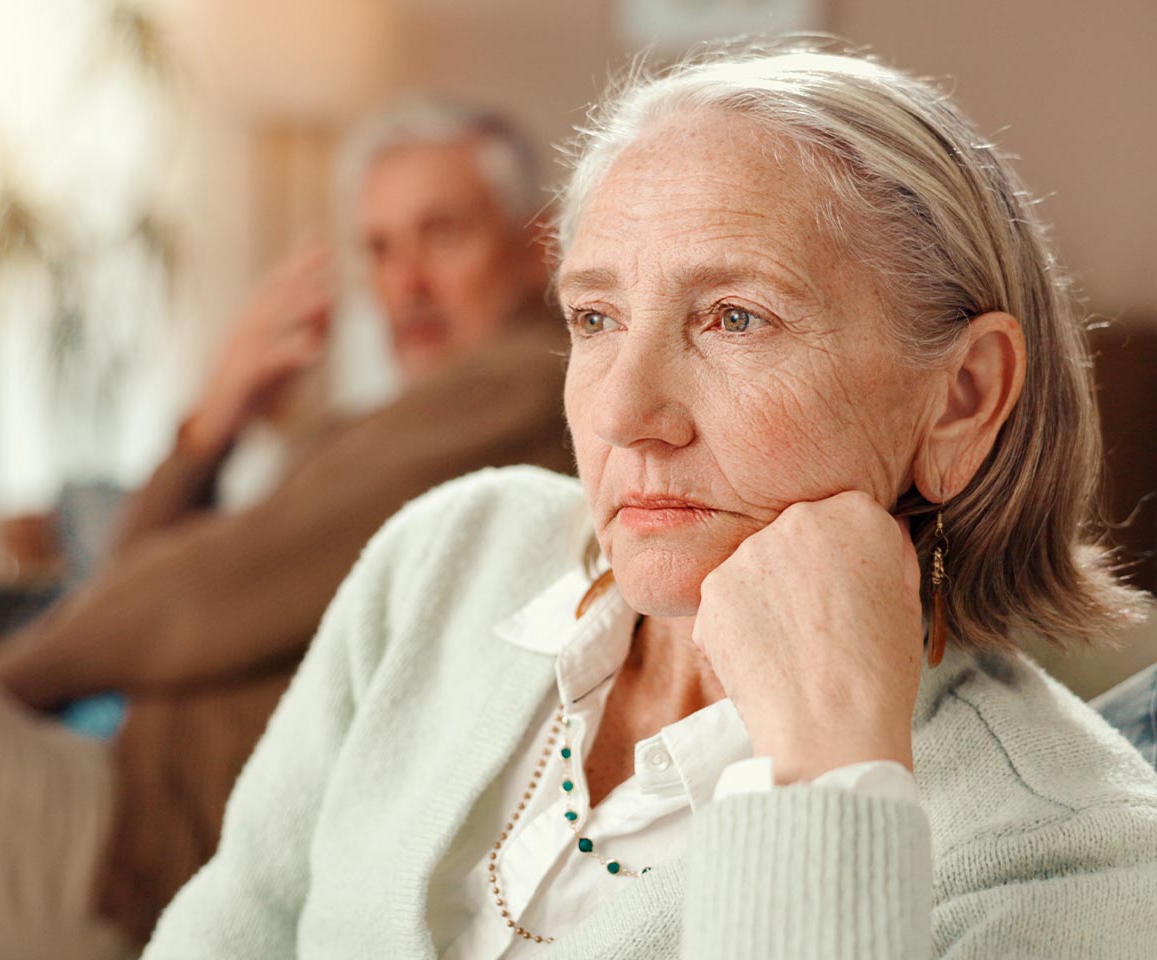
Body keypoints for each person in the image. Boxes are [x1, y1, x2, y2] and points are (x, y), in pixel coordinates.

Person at [142, 43, 1157, 959]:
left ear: (961, 396)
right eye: (595, 315)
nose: (626, 412)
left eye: (735, 318)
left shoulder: (1080, 863)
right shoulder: (443, 555)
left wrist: (829, 777)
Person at [0, 101, 569, 959]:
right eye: (380, 248)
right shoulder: (378, 422)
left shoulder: (520, 390)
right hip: (95, 823)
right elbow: (137, 589)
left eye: (443, 234)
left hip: (123, 861)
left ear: (538, 246)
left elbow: (194, 597)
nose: (406, 284)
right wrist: (210, 429)